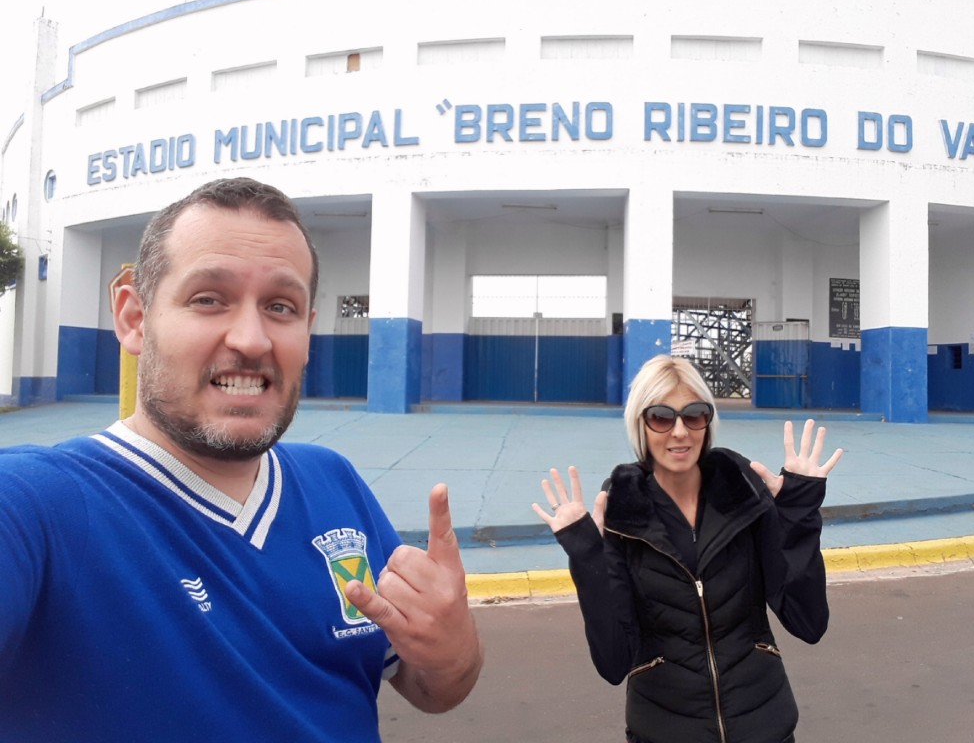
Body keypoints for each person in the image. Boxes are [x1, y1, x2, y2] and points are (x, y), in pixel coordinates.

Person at [0, 177, 483, 741]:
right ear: (134, 318)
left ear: (307, 329)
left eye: (281, 306)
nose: (252, 339)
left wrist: (452, 651)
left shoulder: (336, 483)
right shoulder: (38, 505)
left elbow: (430, 688)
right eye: (208, 299)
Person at [532, 354, 842, 743]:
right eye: (661, 417)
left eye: (694, 415)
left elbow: (808, 622)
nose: (680, 431)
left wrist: (798, 515)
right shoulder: (621, 516)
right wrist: (588, 559)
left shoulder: (746, 499)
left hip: (764, 725)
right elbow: (614, 663)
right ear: (640, 426)